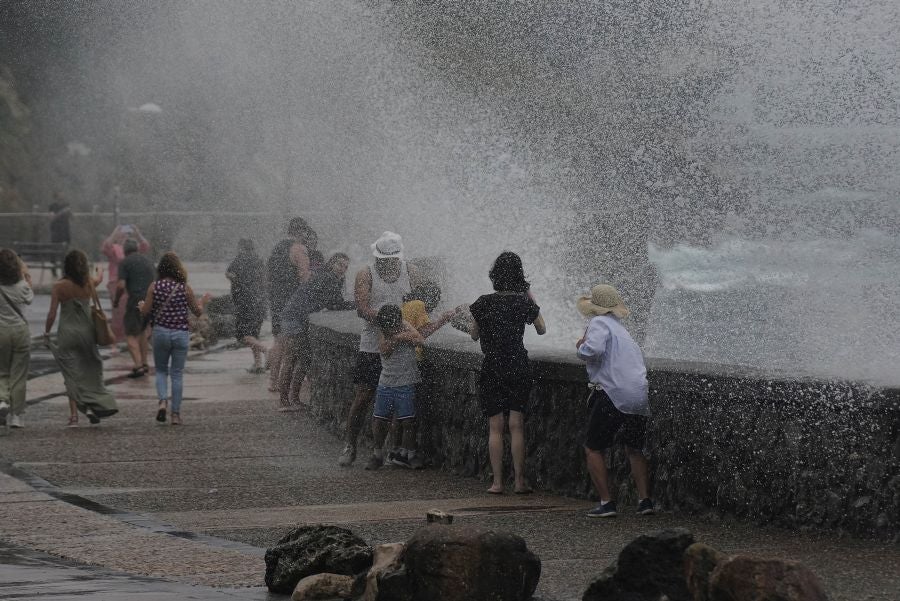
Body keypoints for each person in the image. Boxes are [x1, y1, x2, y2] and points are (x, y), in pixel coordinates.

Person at [469, 251, 545, 494]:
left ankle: (497, 483)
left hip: (492, 366)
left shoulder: (483, 302)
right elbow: (542, 329)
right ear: (519, 276)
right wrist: (528, 295)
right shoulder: (522, 302)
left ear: (495, 275)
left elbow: (473, 335)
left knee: (495, 426)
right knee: (516, 425)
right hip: (517, 365)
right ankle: (520, 482)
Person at [575, 284, 655, 518]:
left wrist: (581, 348)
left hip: (613, 392)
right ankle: (645, 500)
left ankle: (607, 503)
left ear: (595, 308)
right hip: (638, 395)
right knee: (634, 448)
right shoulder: (622, 329)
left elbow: (594, 350)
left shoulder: (599, 323)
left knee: (592, 448)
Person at [339, 232, 416, 467]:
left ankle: (388, 451)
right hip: (372, 345)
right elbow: (361, 308)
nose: (388, 262)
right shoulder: (366, 273)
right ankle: (350, 444)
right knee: (364, 396)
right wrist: (388, 321)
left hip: (400, 346)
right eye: (384, 258)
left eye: (392, 258)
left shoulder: (410, 271)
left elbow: (420, 302)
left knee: (396, 402)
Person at [385, 282, 456, 468]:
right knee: (410, 411)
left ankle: (395, 450)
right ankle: (408, 454)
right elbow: (423, 333)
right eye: (437, 298)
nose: (436, 303)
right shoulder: (418, 305)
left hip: (399, 364)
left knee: (400, 411)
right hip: (413, 363)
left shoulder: (407, 305)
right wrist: (443, 319)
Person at [44, 249, 117, 427]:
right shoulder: (89, 283)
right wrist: (100, 270)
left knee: (71, 374)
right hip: (87, 333)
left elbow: (52, 314)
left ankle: (74, 416)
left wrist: (47, 332)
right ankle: (95, 405)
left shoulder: (59, 286)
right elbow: (99, 279)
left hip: (67, 334)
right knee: (90, 370)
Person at [276, 252, 355, 410]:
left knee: (302, 360)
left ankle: (293, 399)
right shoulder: (328, 278)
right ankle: (285, 401)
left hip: (298, 316)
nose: (342, 269)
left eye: (346, 267)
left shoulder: (325, 276)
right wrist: (359, 304)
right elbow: (335, 304)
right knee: (292, 359)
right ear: (332, 263)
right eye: (340, 264)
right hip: (295, 318)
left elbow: (332, 302)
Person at [138, 252, 209, 426]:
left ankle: (162, 401)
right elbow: (198, 312)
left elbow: (145, 311)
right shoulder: (185, 288)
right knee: (176, 374)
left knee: (161, 371)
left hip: (161, 333)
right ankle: (175, 415)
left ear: (161, 268)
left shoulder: (155, 286)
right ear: (178, 268)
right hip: (180, 334)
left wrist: (140, 305)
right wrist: (203, 302)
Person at [364, 304, 424, 471]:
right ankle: (377, 454)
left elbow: (419, 339)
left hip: (406, 382)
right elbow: (385, 350)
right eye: (389, 327)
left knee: (408, 422)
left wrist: (399, 336)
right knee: (379, 420)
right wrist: (398, 338)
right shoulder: (381, 331)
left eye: (394, 325)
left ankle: (410, 455)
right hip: (387, 384)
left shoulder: (404, 325)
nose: (392, 329)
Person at [266, 218, 315, 391]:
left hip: (276, 300)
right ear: (301, 232)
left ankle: (273, 381)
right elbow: (304, 276)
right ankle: (290, 386)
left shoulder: (277, 248)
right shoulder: (299, 248)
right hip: (292, 301)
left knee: (278, 340)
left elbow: (269, 276)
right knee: (291, 346)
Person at [0, 249, 34, 429]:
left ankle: (2, 401)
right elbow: (29, 299)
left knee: (2, 371)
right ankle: (16, 416)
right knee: (19, 375)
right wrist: (26, 276)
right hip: (20, 331)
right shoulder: (21, 286)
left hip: (1, 332)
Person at [113, 238, 155, 378]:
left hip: (136, 300)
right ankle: (144, 363)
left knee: (130, 334)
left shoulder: (125, 263)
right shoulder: (147, 261)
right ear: (137, 249)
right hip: (151, 300)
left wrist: (117, 300)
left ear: (125, 251)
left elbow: (120, 285)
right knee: (142, 331)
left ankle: (137, 366)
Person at [101, 224, 150, 341]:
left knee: (135, 310)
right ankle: (120, 337)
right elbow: (105, 247)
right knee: (119, 312)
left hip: (132, 283)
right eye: (122, 233)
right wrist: (114, 233)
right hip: (116, 283)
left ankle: (136, 334)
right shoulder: (114, 248)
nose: (125, 236)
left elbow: (145, 247)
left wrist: (138, 234)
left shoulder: (133, 248)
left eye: (127, 234)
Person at [226, 239, 267, 372]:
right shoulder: (258, 260)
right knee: (254, 334)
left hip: (244, 303)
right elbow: (264, 279)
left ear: (241, 247)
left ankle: (267, 352)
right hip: (259, 302)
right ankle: (258, 364)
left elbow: (228, 273)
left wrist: (235, 279)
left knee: (244, 336)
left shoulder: (240, 259)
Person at [48, 195, 72, 277]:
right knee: (54, 252)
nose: (61, 198)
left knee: (64, 253)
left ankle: (64, 271)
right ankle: (54, 270)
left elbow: (71, 216)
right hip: (56, 232)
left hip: (65, 232)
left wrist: (67, 212)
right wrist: (62, 213)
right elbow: (52, 218)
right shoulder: (52, 206)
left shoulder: (66, 205)